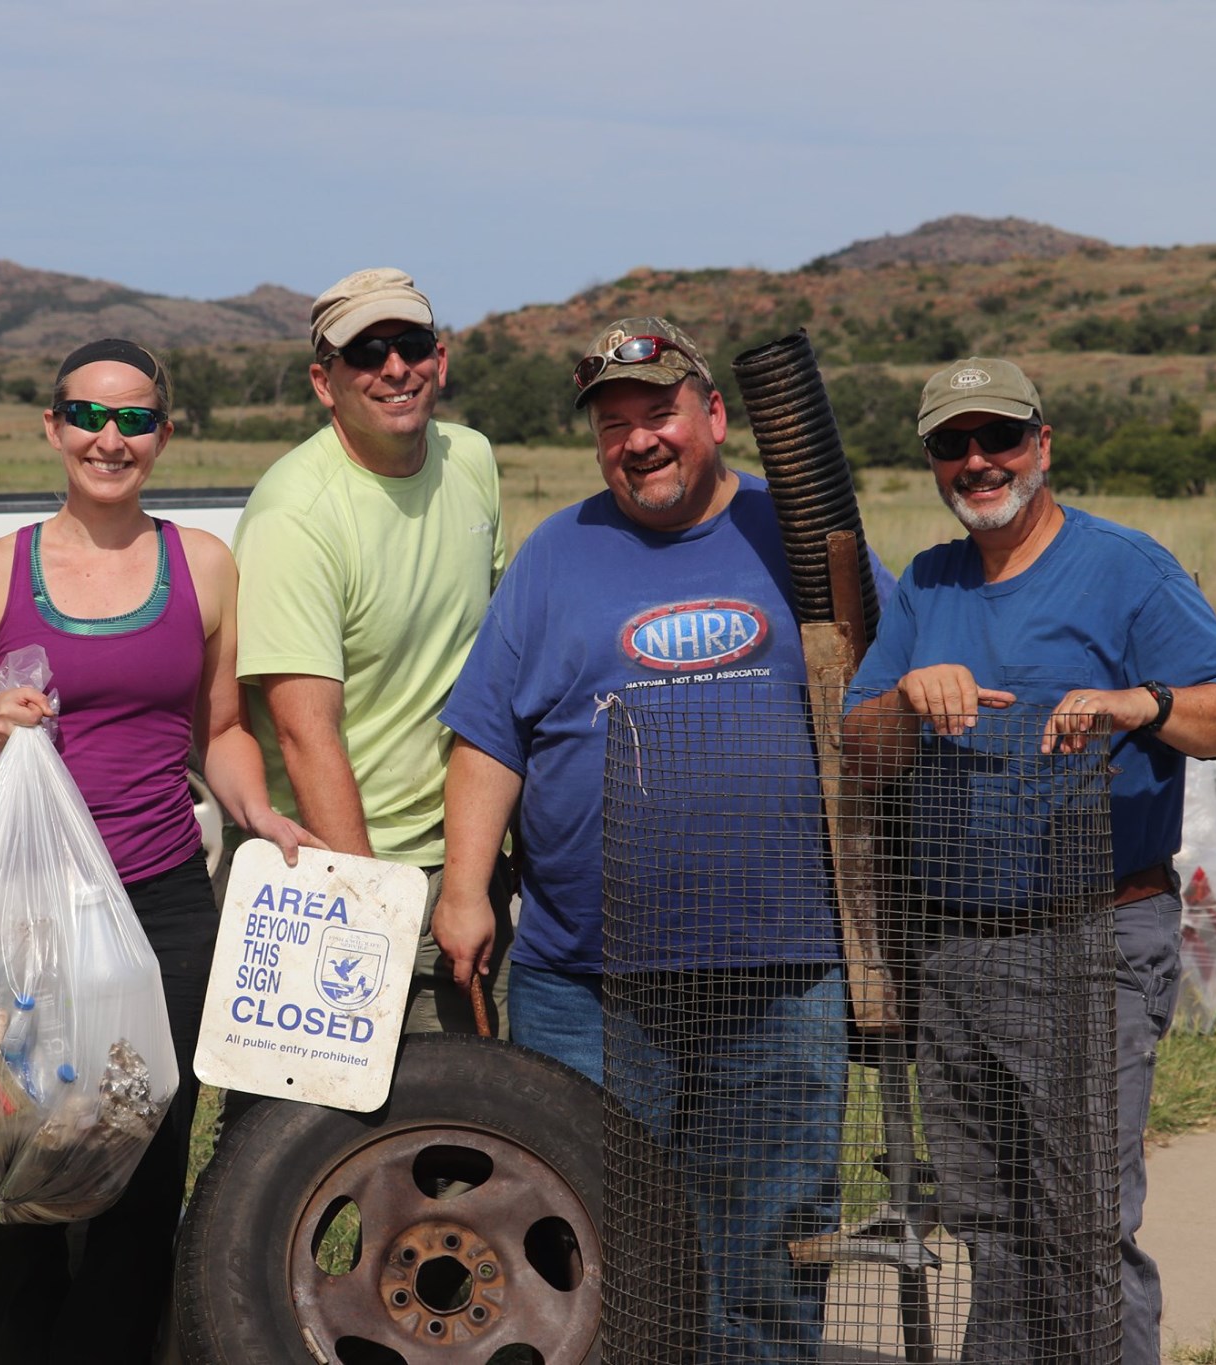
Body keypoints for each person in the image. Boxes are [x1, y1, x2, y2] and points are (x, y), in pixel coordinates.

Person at [437, 317, 890, 1357]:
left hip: (778, 971)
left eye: (658, 413)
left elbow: (886, 695)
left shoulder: (806, 542)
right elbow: (488, 736)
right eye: (613, 424)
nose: (637, 440)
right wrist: (465, 888)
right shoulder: (558, 554)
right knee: (584, 1245)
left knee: (767, 1252)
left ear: (713, 416)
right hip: (585, 979)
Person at [842, 357, 1216, 1365]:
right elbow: (856, 743)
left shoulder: (1123, 569)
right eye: (952, 444)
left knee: (1077, 1226)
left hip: (1092, 939)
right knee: (987, 1224)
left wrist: (1144, 706)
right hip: (953, 948)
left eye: (997, 439)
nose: (976, 461)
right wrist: (906, 698)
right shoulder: (924, 583)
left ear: (1041, 444)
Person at [0, 337, 315, 1365]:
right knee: (22, 1162)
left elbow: (219, 730)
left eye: (134, 419)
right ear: (51, 428)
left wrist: (259, 812)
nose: (109, 438)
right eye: (87, 416)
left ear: (163, 435)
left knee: (141, 1154)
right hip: (23, 922)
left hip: (161, 906)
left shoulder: (205, 567)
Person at [231, 266, 510, 1037]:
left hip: (463, 857)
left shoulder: (472, 462)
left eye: (410, 344)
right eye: (366, 353)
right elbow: (303, 733)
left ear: (441, 359)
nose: (394, 368)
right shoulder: (296, 515)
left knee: (473, 1129)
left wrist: (469, 873)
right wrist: (373, 917)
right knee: (322, 1138)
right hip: (337, 870)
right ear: (325, 382)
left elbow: (487, 664)